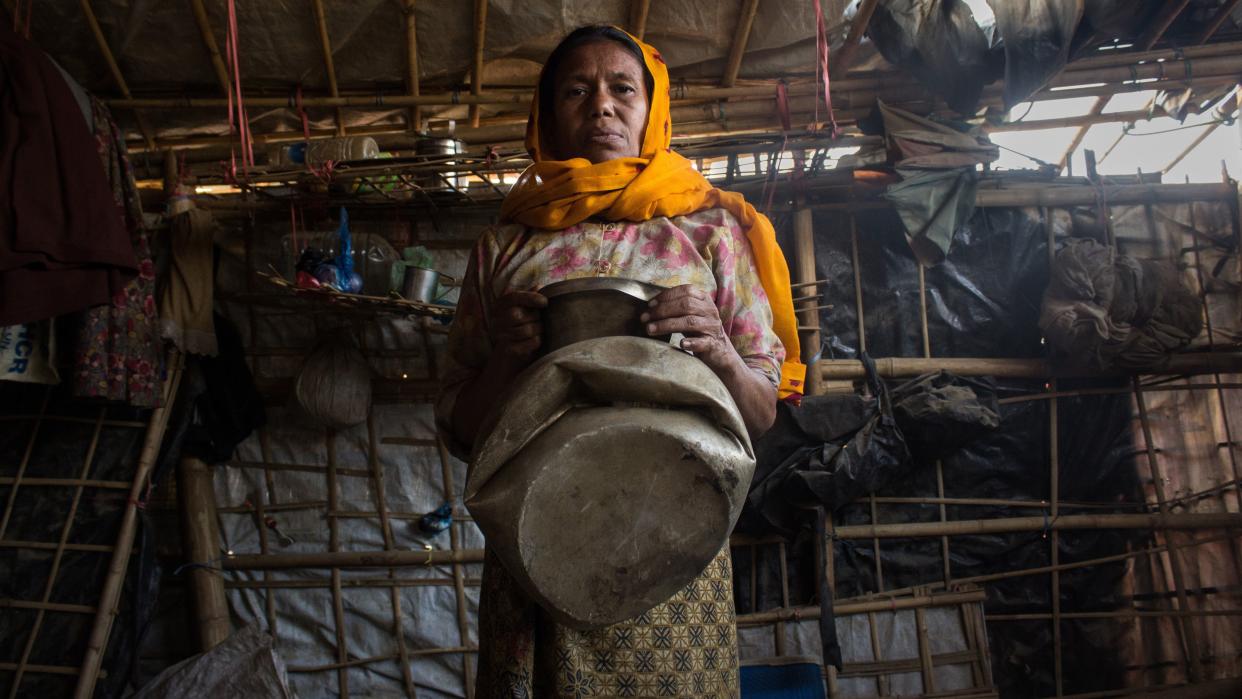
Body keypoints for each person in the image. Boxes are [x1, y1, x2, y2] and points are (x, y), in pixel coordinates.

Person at [436, 25, 805, 698]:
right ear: (548, 117)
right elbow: (461, 431)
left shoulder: (709, 234)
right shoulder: (504, 247)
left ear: (651, 109)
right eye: (577, 90)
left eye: (621, 89)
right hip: (536, 545)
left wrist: (720, 350)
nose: (601, 106)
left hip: (672, 547)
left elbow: (760, 414)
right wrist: (506, 363)